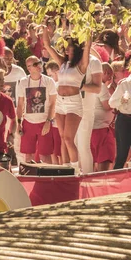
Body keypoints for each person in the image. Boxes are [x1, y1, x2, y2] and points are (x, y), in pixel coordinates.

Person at [42, 26, 92, 174]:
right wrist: (45, 27)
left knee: (69, 139)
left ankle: (76, 169)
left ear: (76, 50)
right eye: (66, 48)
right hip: (60, 103)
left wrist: (88, 31)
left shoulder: (81, 65)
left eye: (69, 48)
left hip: (73, 103)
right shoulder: (62, 63)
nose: (66, 50)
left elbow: (88, 46)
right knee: (63, 138)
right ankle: (66, 168)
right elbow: (47, 45)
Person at [16, 56, 57, 163]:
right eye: (35, 64)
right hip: (28, 123)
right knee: (28, 156)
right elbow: (20, 105)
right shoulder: (23, 82)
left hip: (44, 122)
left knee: (45, 156)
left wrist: (49, 121)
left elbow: (53, 103)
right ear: (29, 68)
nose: (39, 65)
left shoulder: (49, 81)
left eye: (39, 63)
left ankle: (47, 178)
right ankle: (29, 178)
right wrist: (19, 122)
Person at [91, 63, 116, 171]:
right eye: (110, 74)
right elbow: (107, 106)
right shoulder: (101, 86)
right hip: (101, 129)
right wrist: (119, 102)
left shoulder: (91, 84)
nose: (111, 77)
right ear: (105, 73)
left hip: (92, 128)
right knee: (104, 158)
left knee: (92, 159)